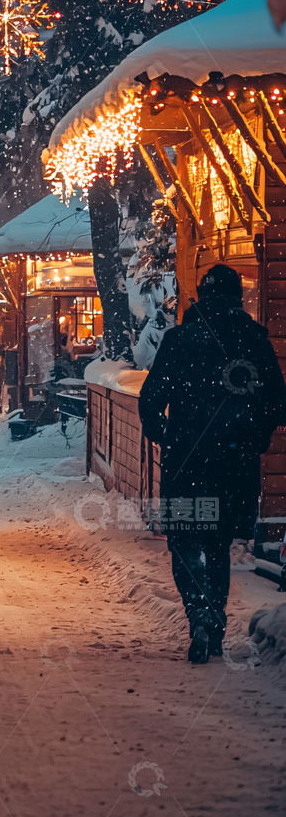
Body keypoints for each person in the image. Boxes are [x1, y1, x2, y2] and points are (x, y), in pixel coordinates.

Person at [139, 264, 286, 664]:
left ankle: (199, 613)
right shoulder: (254, 340)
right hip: (234, 463)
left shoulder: (180, 339)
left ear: (200, 297)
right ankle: (214, 620)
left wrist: (164, 433)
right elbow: (277, 401)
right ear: (237, 298)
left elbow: (150, 399)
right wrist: (255, 436)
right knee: (218, 544)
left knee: (184, 538)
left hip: (186, 461)